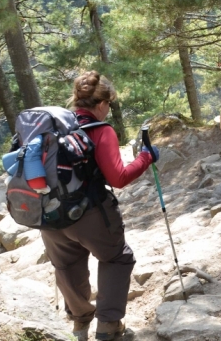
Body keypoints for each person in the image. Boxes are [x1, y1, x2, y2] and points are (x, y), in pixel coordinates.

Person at [40, 71, 158, 341]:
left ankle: (80, 327)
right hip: (88, 213)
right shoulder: (101, 131)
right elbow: (118, 178)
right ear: (102, 103)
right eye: (110, 104)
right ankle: (108, 327)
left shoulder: (56, 128)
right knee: (117, 257)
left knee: (67, 266)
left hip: (49, 216)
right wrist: (145, 158)